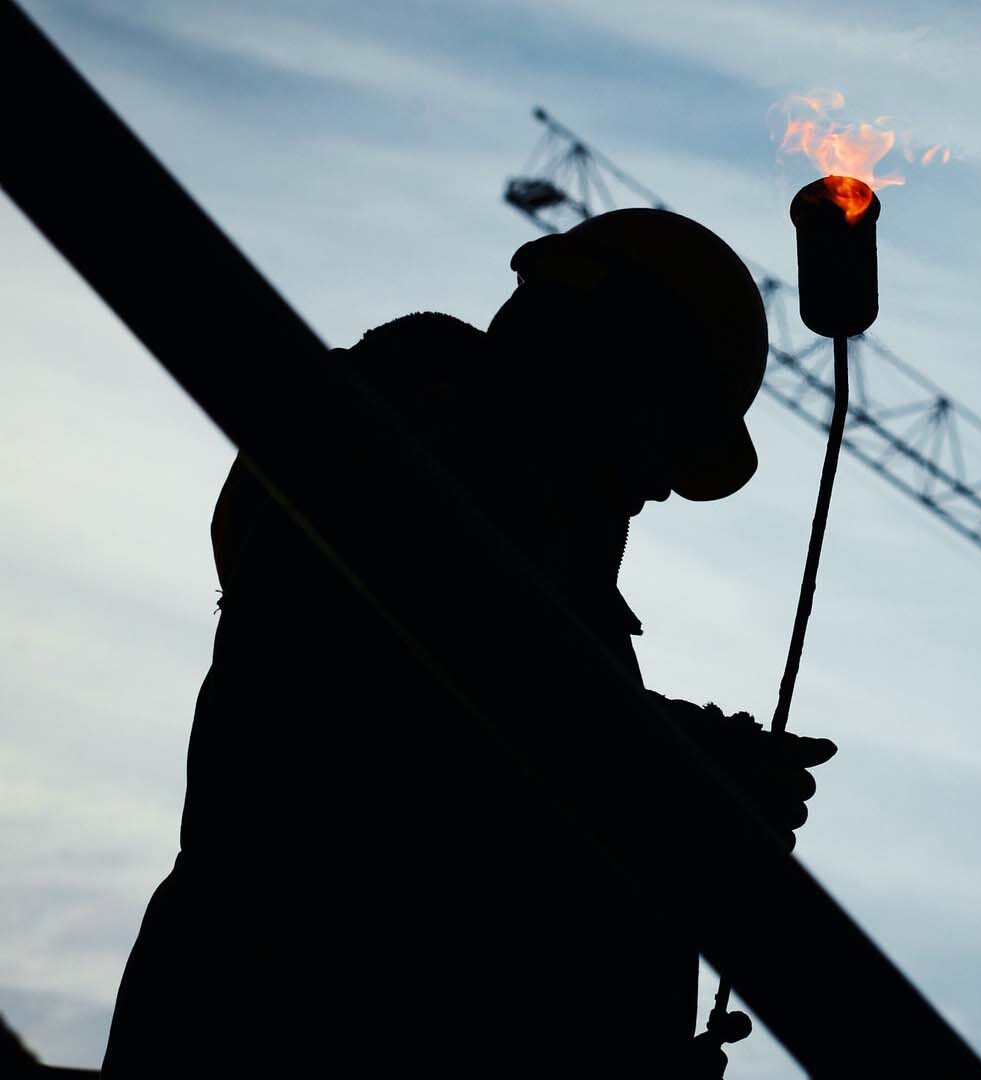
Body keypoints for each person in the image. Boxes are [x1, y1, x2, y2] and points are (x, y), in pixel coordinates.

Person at [101, 209, 833, 1076]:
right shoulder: (377, 460)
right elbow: (418, 750)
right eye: (666, 429)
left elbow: (516, 742)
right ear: (605, 355)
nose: (662, 486)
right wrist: (672, 774)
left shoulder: (527, 581)